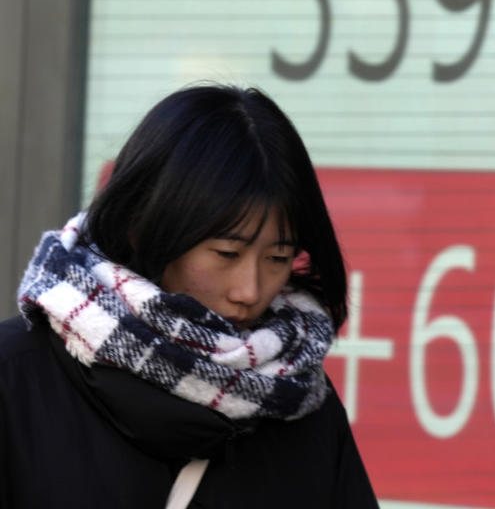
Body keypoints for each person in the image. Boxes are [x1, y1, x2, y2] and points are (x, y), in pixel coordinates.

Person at [0, 84, 379, 507]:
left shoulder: (298, 401)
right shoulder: (14, 381)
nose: (249, 291)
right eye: (226, 253)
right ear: (143, 230)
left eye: (278, 257)